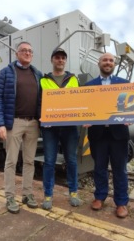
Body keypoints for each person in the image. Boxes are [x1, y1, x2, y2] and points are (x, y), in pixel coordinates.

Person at [0, 41, 43, 214]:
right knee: (11, 161)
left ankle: (27, 194)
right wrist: (0, 124)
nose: (27, 53)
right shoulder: (6, 72)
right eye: (24, 50)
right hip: (14, 122)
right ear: (17, 53)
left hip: (33, 123)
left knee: (29, 161)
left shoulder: (38, 74)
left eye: (30, 51)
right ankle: (10, 196)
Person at [84, 52, 130, 218]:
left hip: (119, 134)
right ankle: (100, 197)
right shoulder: (89, 85)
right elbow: (85, 108)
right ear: (99, 63)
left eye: (111, 60)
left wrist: (132, 116)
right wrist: (84, 117)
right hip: (98, 134)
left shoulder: (126, 84)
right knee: (99, 169)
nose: (108, 62)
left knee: (120, 170)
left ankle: (122, 202)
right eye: (105, 60)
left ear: (114, 64)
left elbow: (130, 106)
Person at [40, 48, 81, 210]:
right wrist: (42, 117)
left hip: (70, 127)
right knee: (49, 161)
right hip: (50, 128)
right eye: (57, 57)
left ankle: (73, 192)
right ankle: (48, 195)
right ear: (52, 60)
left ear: (65, 61)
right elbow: (39, 102)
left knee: (71, 160)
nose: (60, 60)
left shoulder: (74, 79)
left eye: (63, 58)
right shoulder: (43, 80)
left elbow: (81, 100)